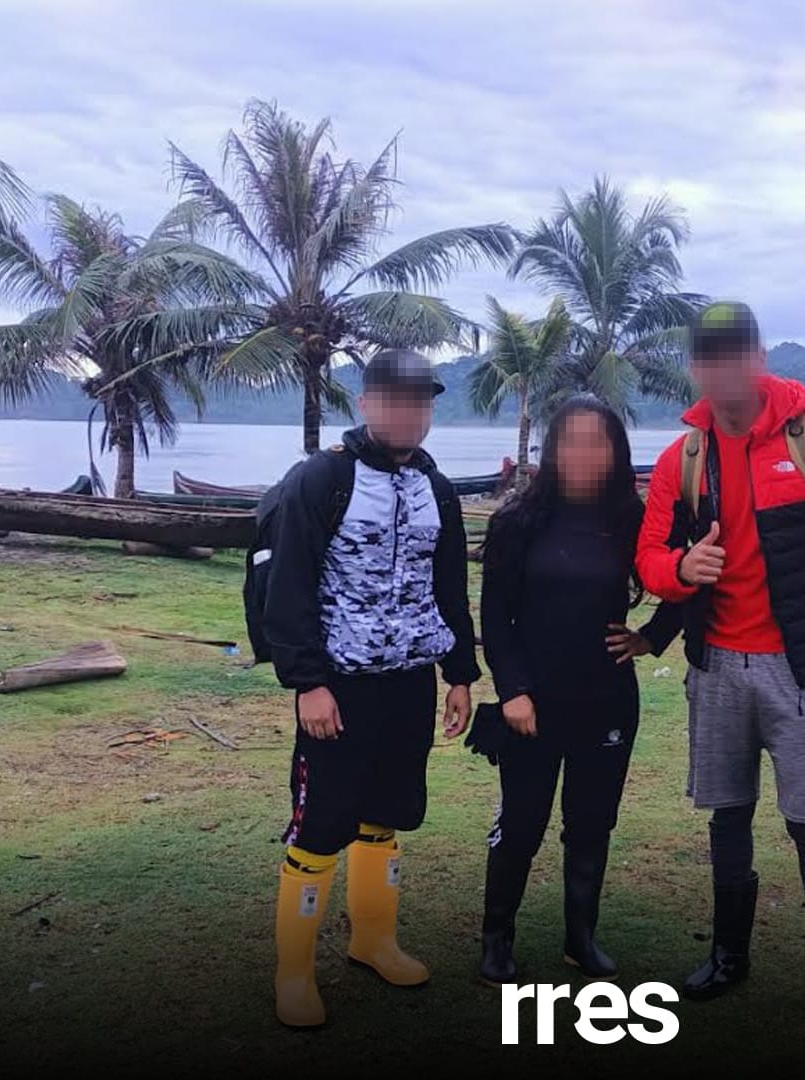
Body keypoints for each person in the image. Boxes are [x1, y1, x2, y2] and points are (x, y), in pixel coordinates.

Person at [635, 301, 805, 1030]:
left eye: (737, 353)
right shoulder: (683, 458)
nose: (723, 369)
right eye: (709, 356)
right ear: (695, 367)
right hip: (717, 666)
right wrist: (681, 569)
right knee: (728, 814)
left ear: (759, 357)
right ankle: (729, 956)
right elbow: (649, 556)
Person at [259, 349, 478, 1030]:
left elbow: (449, 587)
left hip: (409, 681)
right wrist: (307, 684)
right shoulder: (323, 479)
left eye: (421, 401)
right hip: (339, 686)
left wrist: (460, 674)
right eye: (394, 399)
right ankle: (294, 975)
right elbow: (287, 586)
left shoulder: (436, 487)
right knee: (322, 823)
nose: (408, 412)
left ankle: (373, 941)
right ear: (365, 403)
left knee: (386, 813)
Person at [476, 395, 681, 985]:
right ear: (553, 449)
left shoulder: (632, 520)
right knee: (521, 823)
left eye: (598, 442)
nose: (584, 453)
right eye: (572, 441)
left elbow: (684, 579)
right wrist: (513, 691)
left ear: (615, 451)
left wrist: (652, 636)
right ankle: (496, 939)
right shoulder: (517, 520)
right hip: (533, 704)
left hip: (607, 699)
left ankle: (580, 939)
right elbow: (496, 618)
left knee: (591, 824)